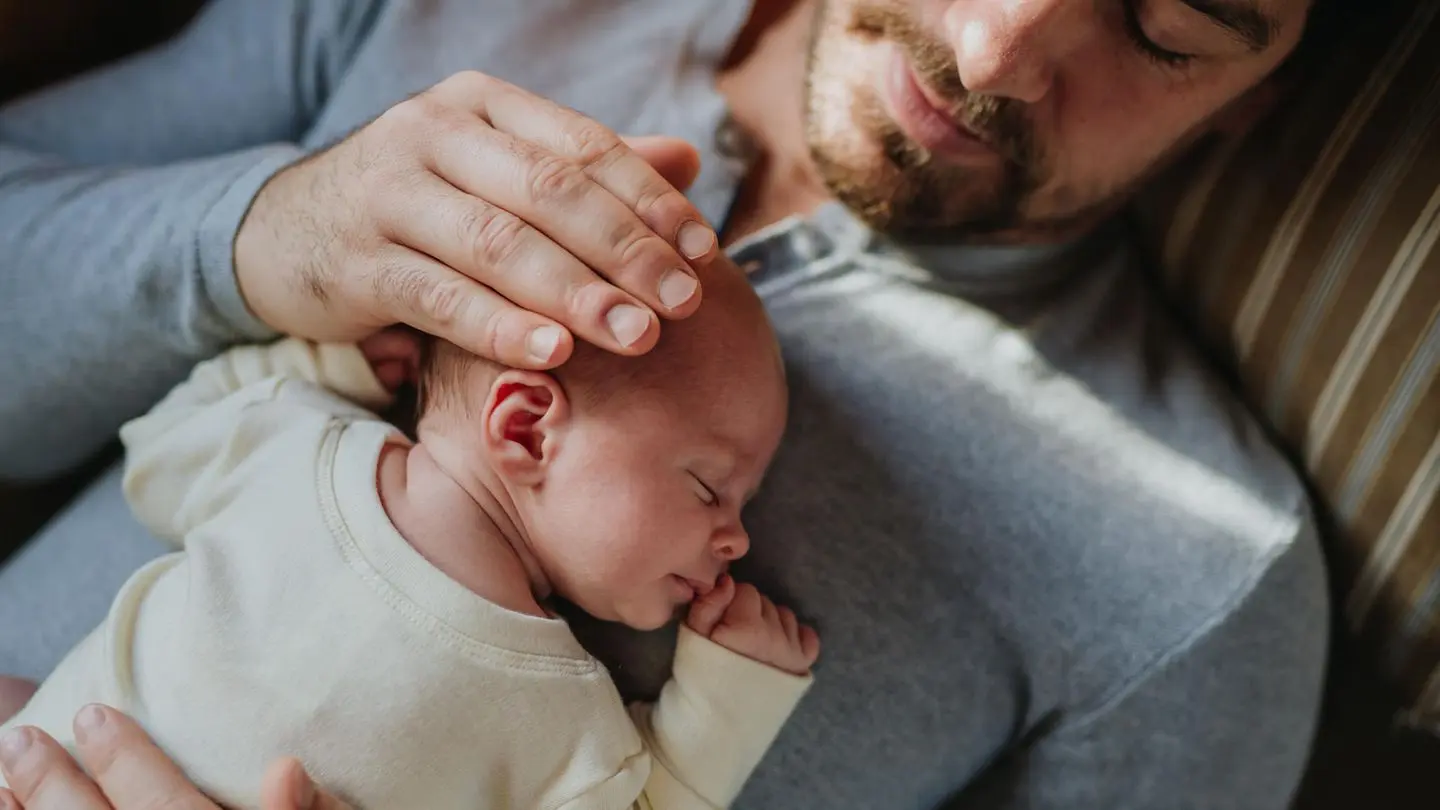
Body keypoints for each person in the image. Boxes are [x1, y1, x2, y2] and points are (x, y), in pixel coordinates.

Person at [0, 0, 1335, 807]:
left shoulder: (1196, 582)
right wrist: (258, 232)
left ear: (1248, 104)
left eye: (1165, 30)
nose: (994, 48)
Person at [2, 255, 815, 808]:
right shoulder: (300, 444)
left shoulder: (557, 708)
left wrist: (726, 699)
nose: (736, 538)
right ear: (529, 430)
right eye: (711, 487)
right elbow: (160, 443)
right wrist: (324, 365)